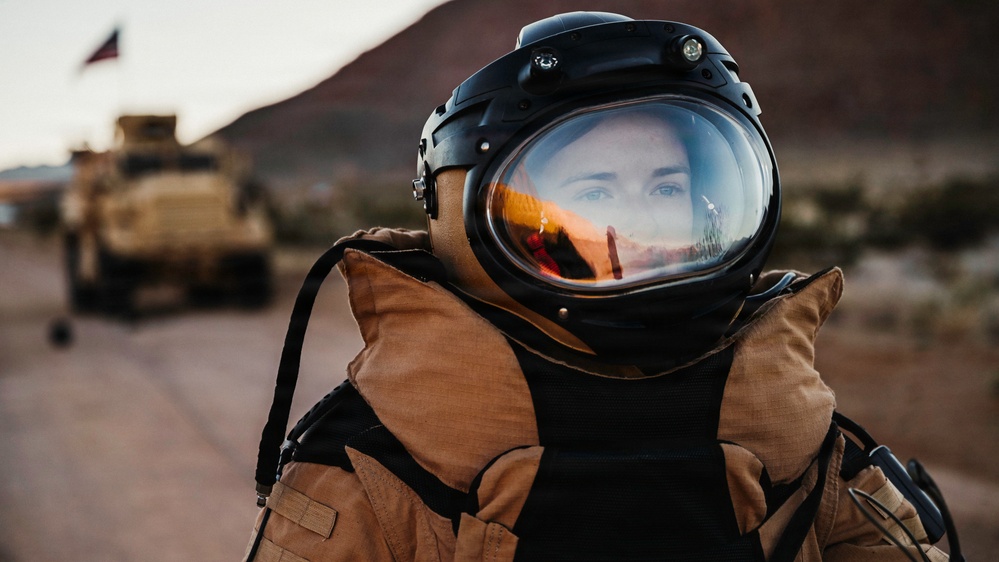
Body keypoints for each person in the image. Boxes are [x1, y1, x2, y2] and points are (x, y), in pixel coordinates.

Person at [245, 12, 954, 561]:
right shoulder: (378, 458)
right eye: (591, 194)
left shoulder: (797, 430)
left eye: (667, 185)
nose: (639, 220)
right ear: (484, 221)